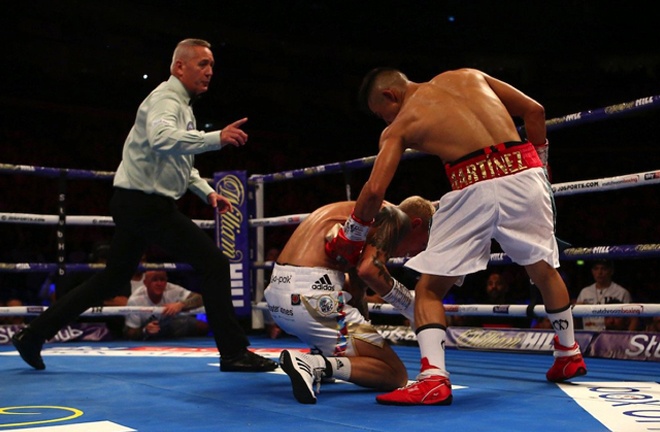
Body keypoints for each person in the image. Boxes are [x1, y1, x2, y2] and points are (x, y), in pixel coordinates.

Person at [12, 38, 277, 373]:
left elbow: (180, 163)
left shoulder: (183, 106)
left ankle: (32, 335)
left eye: (212, 65)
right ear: (179, 66)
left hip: (137, 202)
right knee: (213, 263)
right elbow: (162, 140)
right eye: (202, 64)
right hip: (145, 203)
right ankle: (234, 351)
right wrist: (216, 138)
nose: (210, 72)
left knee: (111, 280)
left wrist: (206, 192)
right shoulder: (166, 99)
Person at [326, 67, 587, 406]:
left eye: (381, 113)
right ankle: (568, 352)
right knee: (543, 269)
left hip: (473, 185)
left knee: (430, 288)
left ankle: (433, 378)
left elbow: (375, 190)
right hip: (527, 174)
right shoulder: (469, 75)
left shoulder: (401, 125)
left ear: (390, 96)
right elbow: (534, 111)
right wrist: (542, 165)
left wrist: (353, 234)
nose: (384, 121)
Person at [266, 196, 434, 404]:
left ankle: (323, 355)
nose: (416, 252)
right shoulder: (393, 217)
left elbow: (357, 287)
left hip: (279, 298)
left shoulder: (365, 216)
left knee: (360, 357)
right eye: (423, 243)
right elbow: (369, 271)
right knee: (395, 374)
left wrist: (365, 332)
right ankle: (314, 362)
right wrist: (414, 309)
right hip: (313, 300)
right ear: (415, 224)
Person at [124, 270, 209, 340]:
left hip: (172, 324)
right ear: (146, 283)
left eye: (162, 279)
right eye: (155, 280)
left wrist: (181, 304)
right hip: (148, 330)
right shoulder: (136, 299)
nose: (159, 283)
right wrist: (145, 330)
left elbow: (200, 298)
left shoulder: (172, 289)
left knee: (203, 326)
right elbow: (130, 332)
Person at [576, 259, 638, 331]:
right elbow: (575, 317)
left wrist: (626, 338)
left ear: (611, 271)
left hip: (612, 336)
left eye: (604, 269)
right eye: (596, 269)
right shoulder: (585, 292)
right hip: (588, 335)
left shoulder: (621, 292)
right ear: (592, 271)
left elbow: (634, 319)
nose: (599, 272)